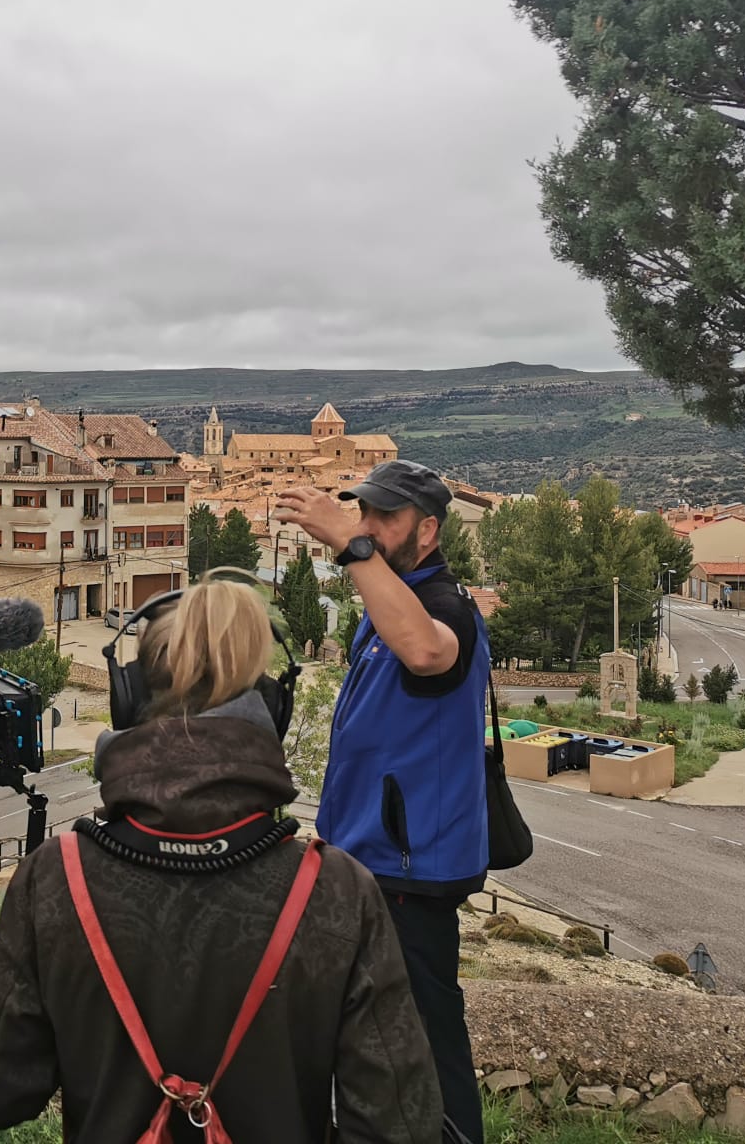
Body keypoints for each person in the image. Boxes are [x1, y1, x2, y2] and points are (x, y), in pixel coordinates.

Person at [0, 573, 444, 1142]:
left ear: (127, 698)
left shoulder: (56, 878)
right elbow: (401, 1126)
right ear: (273, 709)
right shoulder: (337, 891)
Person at [275, 459, 491, 1144]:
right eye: (362, 513)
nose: (368, 527)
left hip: (411, 869)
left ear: (427, 531)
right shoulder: (386, 599)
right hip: (369, 859)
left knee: (425, 1042)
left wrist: (348, 544)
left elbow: (428, 654)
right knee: (363, 1033)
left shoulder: (444, 605)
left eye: (383, 518)